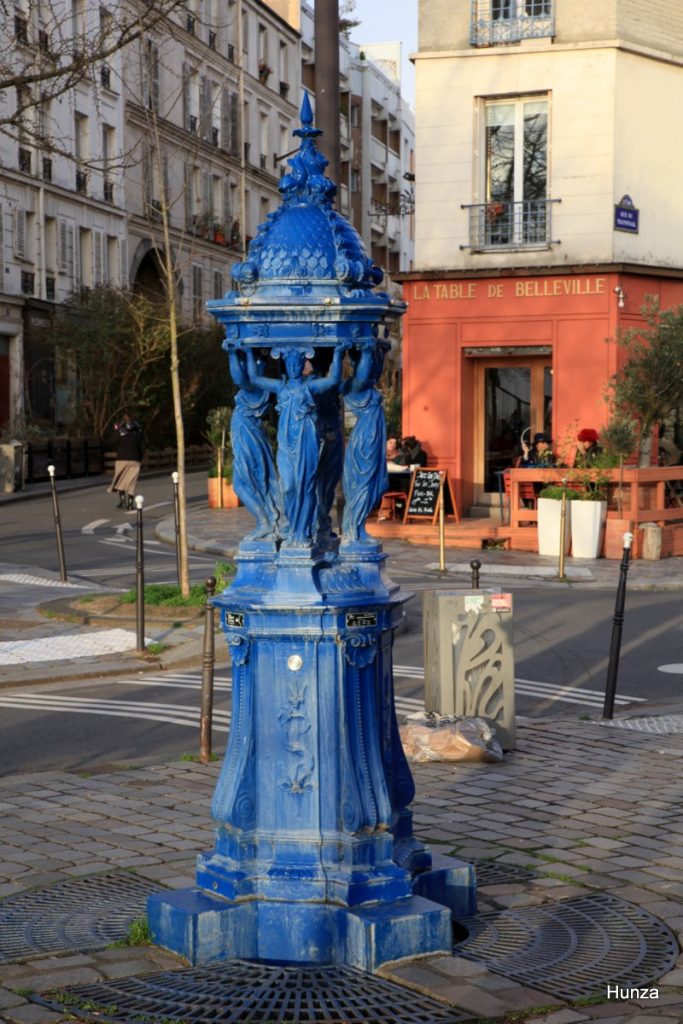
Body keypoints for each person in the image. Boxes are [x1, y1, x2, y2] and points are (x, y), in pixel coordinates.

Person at [109, 412, 144, 511]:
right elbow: (143, 447)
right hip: (135, 459)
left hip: (122, 458)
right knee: (132, 482)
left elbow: (113, 442)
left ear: (124, 420)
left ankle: (122, 501)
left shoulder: (121, 429)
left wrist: (116, 429)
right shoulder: (139, 430)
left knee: (121, 479)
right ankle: (130, 504)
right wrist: (139, 459)